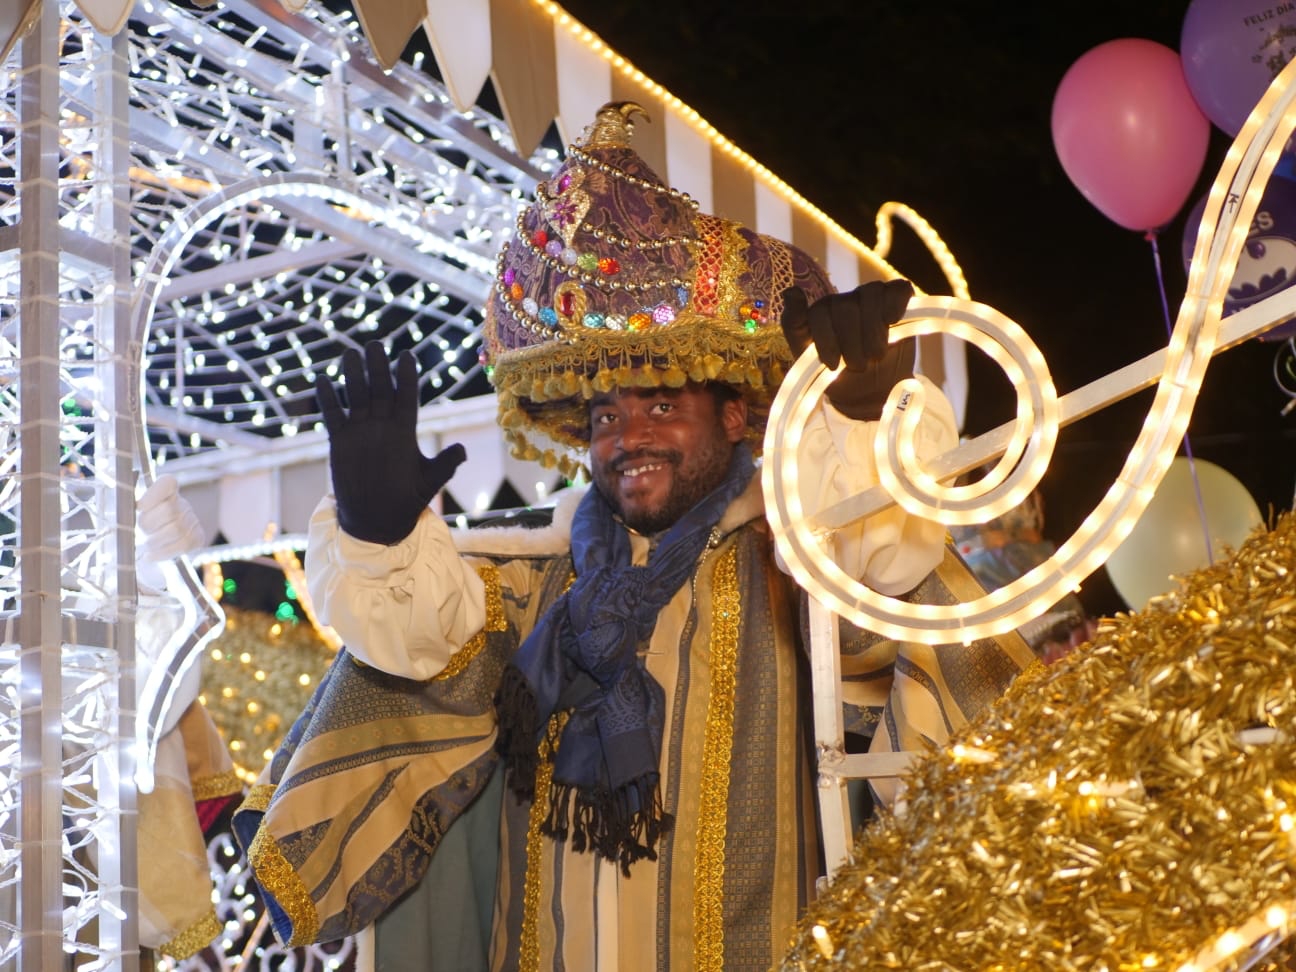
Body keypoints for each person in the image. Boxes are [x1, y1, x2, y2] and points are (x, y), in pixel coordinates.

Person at [232, 102, 1033, 971]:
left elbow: (888, 600)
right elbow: (419, 646)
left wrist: (866, 423)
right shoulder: (532, 589)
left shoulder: (792, 564)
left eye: (661, 401)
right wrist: (379, 536)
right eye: (606, 415)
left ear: (736, 415)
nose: (627, 437)